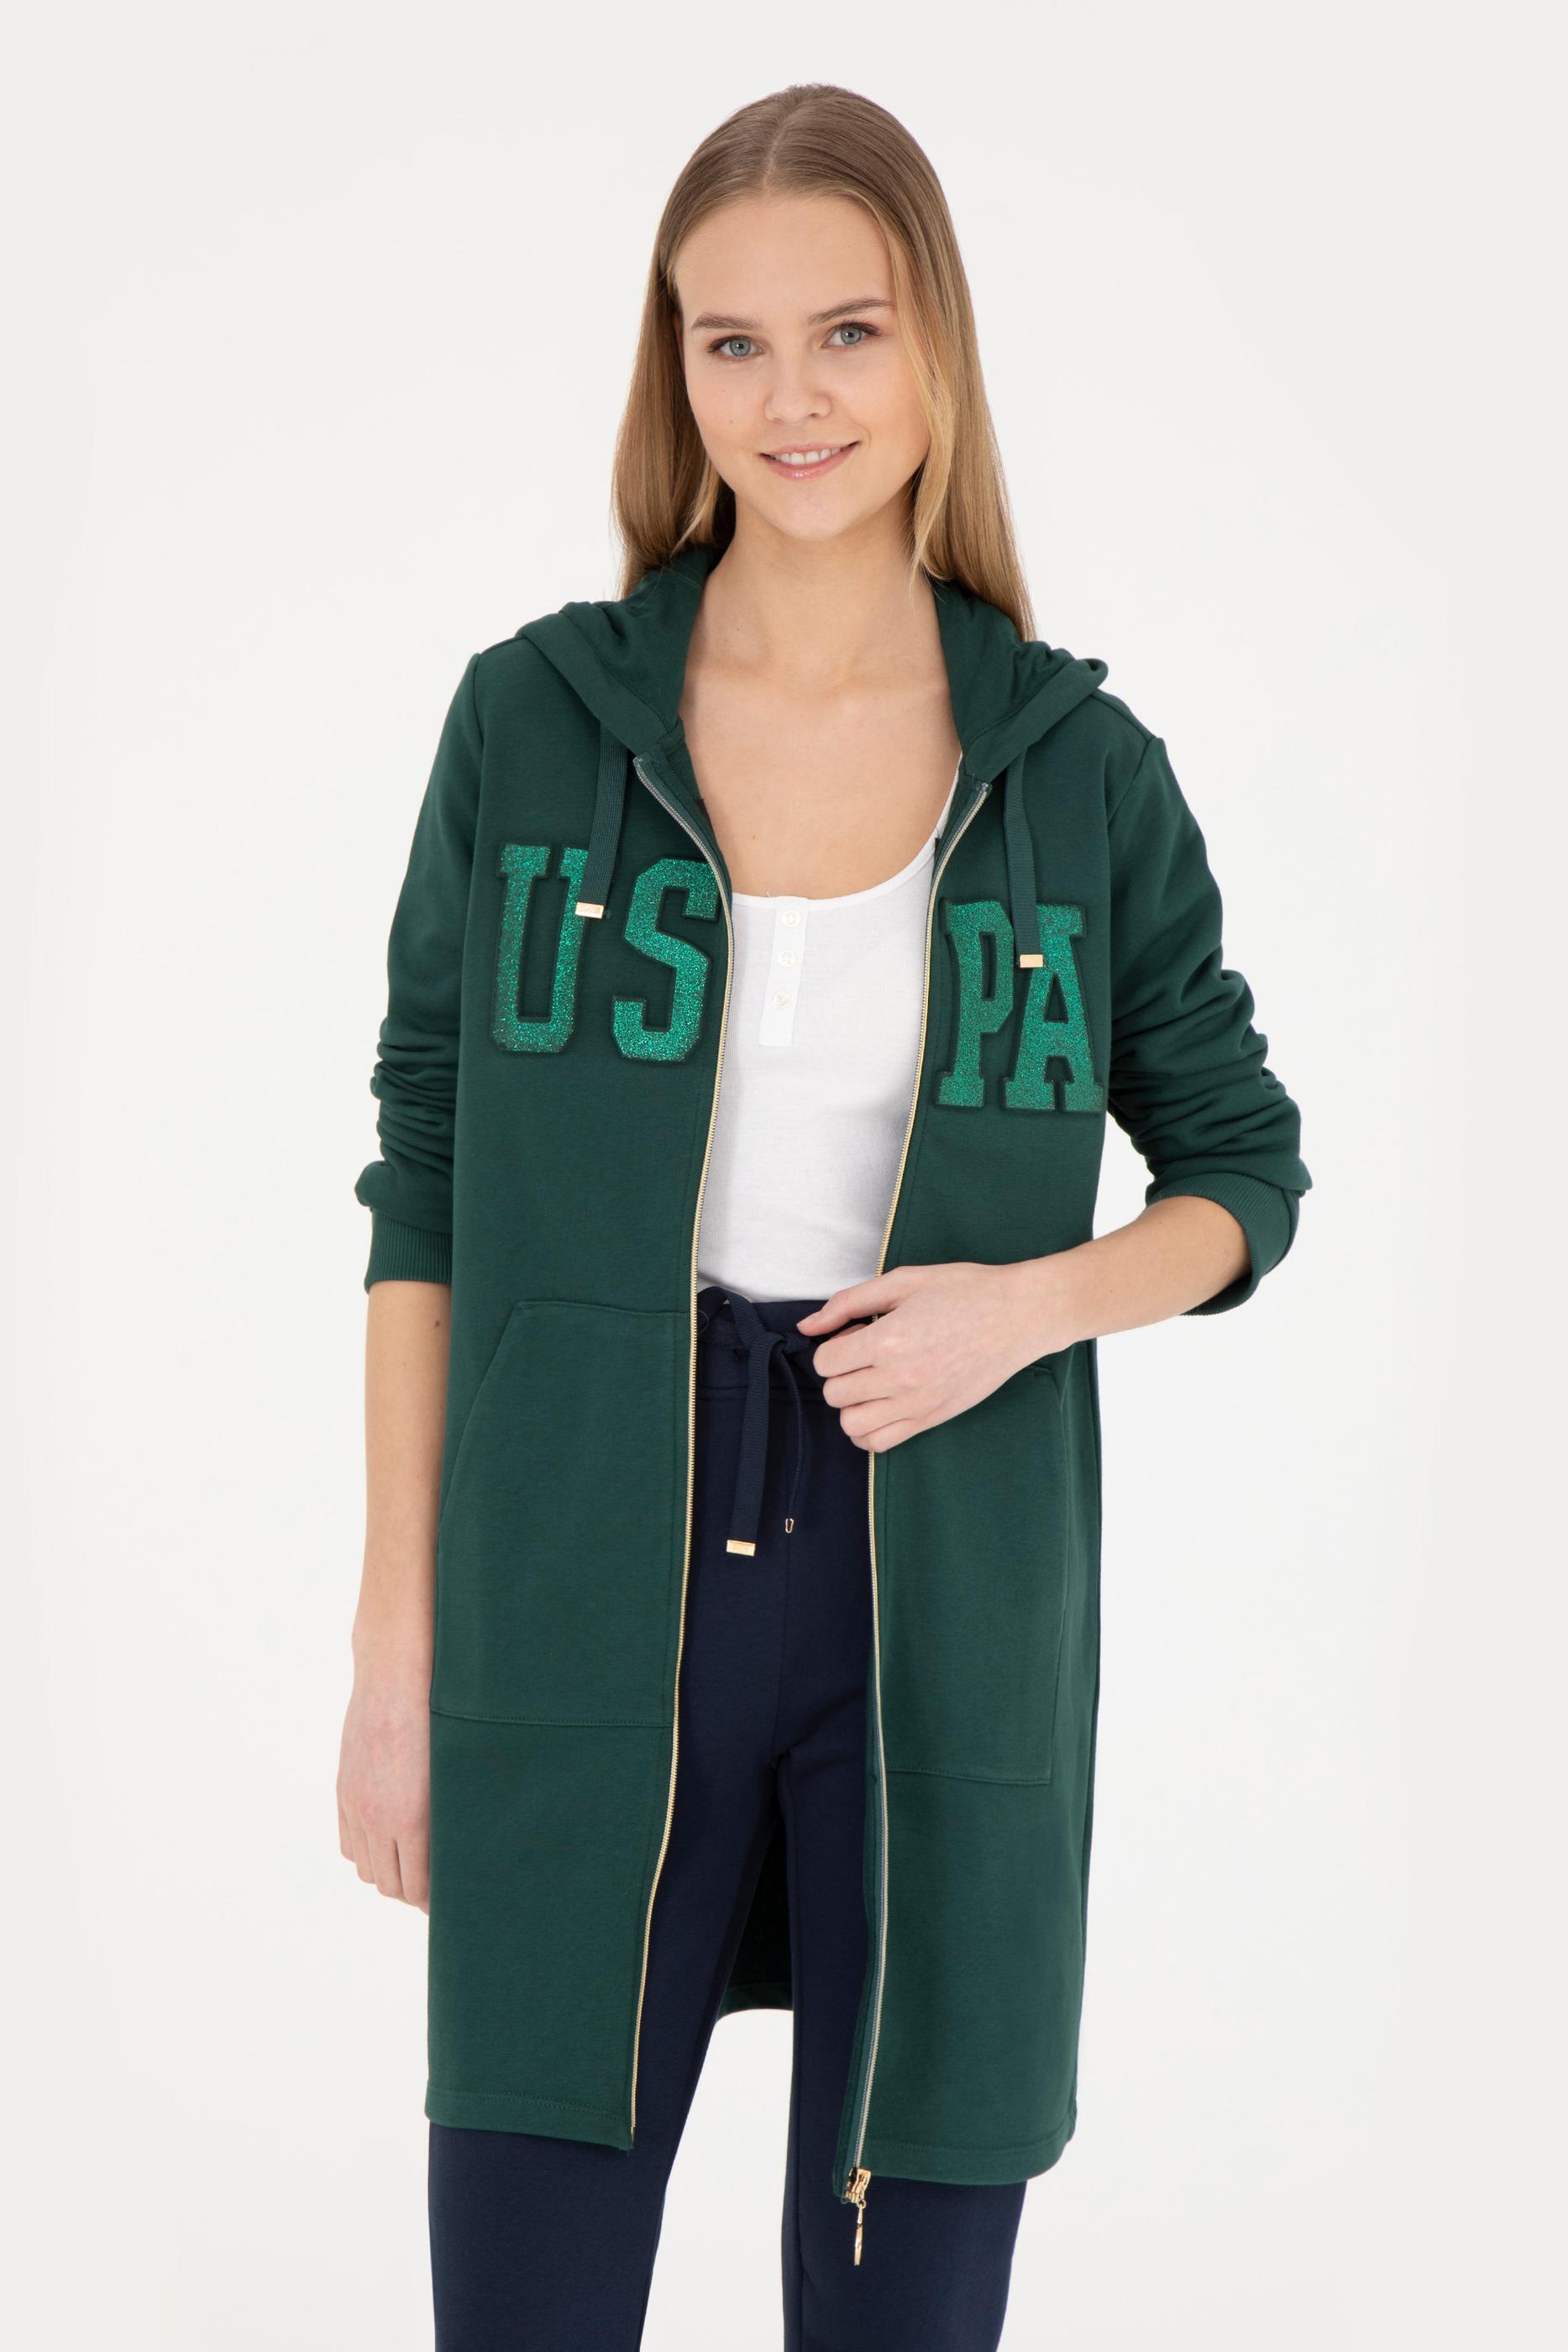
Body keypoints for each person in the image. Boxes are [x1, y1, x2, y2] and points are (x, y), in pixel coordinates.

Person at [337, 80, 1312, 2352]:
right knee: (528, 2282)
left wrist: (1027, 1308)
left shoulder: (1074, 771)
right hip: (582, 1563)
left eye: (847, 332)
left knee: (905, 2287)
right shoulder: (535, 724)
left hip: (939, 1581)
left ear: (934, 347)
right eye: (732, 342)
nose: (793, 399)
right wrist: (397, 1653)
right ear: (672, 374)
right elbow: (426, 1174)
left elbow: (1241, 1168)